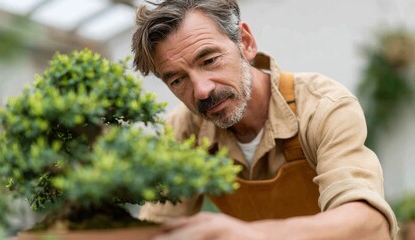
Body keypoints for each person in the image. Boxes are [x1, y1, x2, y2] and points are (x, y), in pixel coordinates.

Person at [131, 0, 398, 239]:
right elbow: (157, 226)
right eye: (178, 80)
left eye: (209, 60)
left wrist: (251, 234)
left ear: (245, 43)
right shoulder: (184, 131)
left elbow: (370, 224)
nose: (201, 90)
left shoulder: (321, 106)